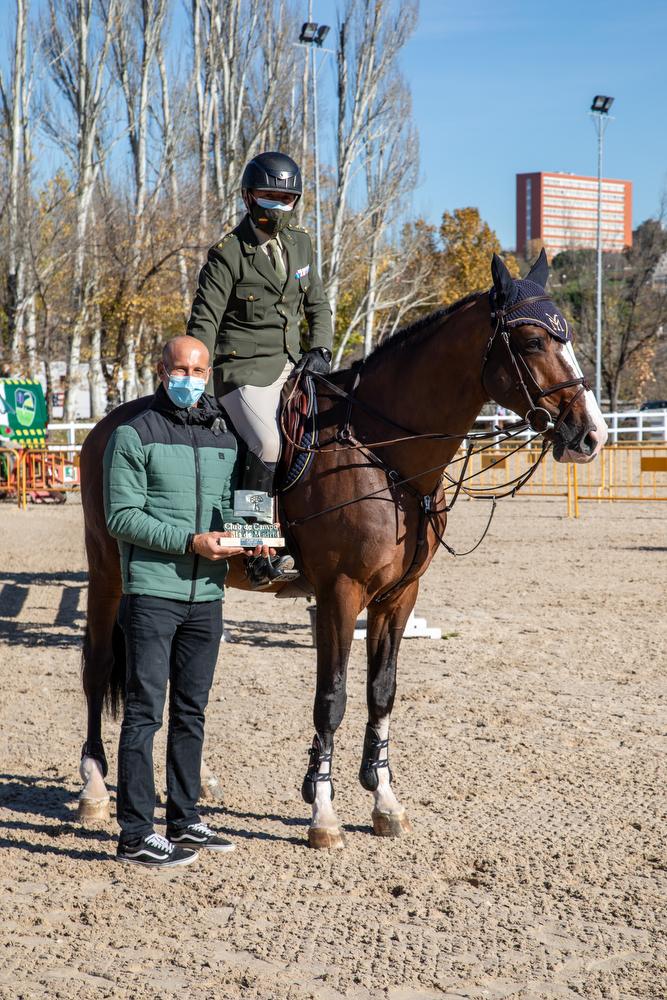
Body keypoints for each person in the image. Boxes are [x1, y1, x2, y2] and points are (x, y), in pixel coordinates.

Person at [104, 335, 272, 869]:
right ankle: (134, 833)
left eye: (199, 372)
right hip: (153, 592)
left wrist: (253, 534)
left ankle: (183, 818)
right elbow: (121, 517)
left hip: (208, 596)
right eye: (181, 370)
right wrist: (189, 542)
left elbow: (230, 505)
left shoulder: (224, 434)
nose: (190, 380)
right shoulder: (133, 434)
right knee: (144, 713)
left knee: (191, 712)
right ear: (162, 371)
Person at [186, 150, 334, 587]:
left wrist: (321, 347)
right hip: (243, 370)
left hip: (293, 364)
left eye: (285, 199)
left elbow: (317, 303)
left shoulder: (302, 243)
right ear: (250, 198)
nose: (277, 207)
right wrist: (198, 384)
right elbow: (204, 324)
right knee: (268, 443)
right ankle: (253, 544)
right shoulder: (228, 254)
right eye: (268, 197)